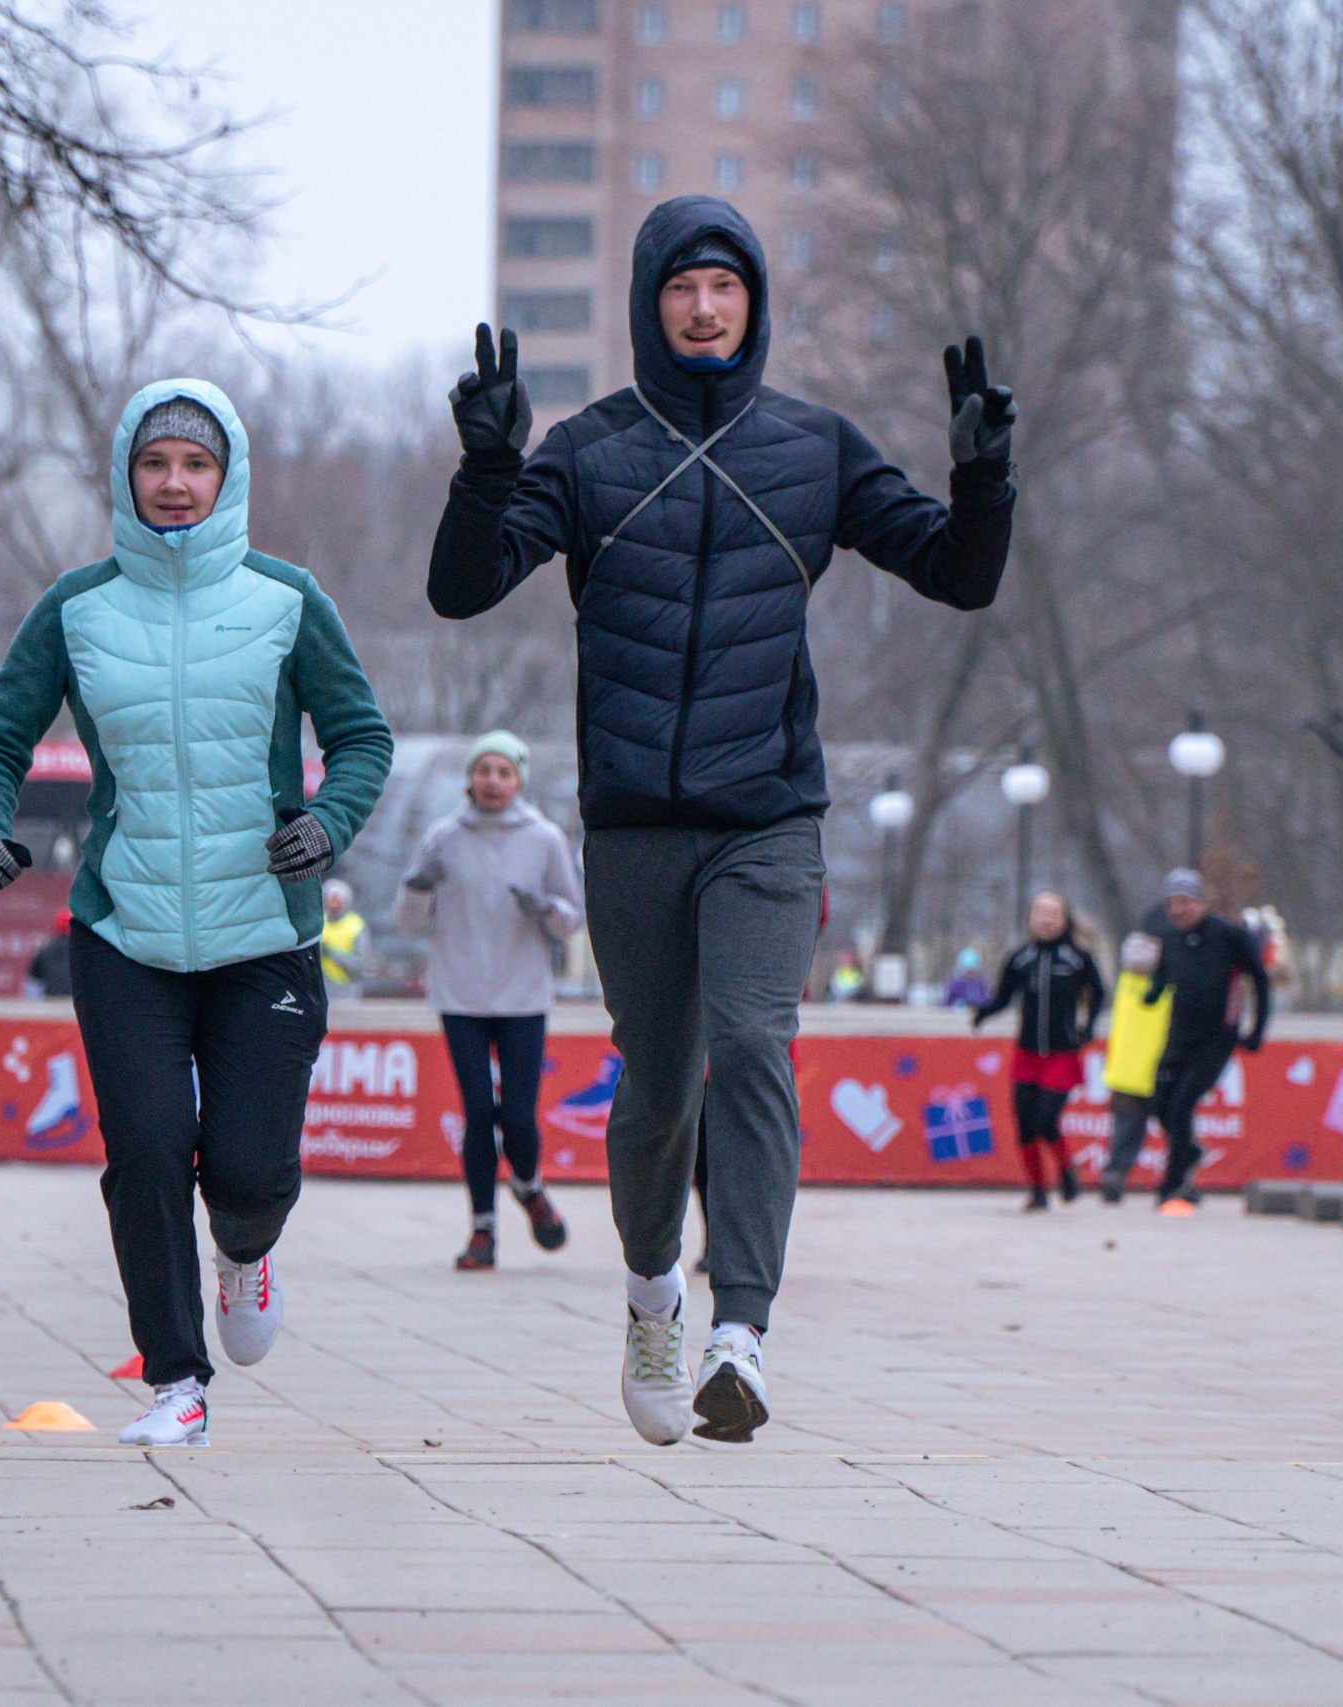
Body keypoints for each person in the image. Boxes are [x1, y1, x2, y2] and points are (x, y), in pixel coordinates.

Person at [428, 195, 1016, 1445]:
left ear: (754, 304)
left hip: (766, 817)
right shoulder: (591, 451)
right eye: (682, 288)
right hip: (636, 826)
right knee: (653, 1094)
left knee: (751, 1045)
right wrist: (487, 470)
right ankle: (653, 1297)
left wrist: (983, 480)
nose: (704, 307)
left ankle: (739, 1330)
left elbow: (960, 577)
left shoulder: (813, 449)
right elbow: (461, 588)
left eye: (726, 287)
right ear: (650, 305)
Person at [0, 380, 393, 1447]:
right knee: (147, 1149)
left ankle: (245, 1252)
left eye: (195, 464)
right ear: (127, 477)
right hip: (125, 929)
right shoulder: (78, 607)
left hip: (265, 935)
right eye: (155, 464)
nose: (175, 482)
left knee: (246, 1172)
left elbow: (363, 738)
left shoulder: (287, 601)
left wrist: (327, 824)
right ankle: (175, 1384)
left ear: (227, 475)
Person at [394, 729, 583, 1270]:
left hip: (523, 996)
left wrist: (543, 907)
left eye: (504, 772)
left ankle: (528, 1185)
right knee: (479, 1113)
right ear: (470, 778)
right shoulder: (443, 837)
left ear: (518, 779)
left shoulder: (543, 838)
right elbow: (407, 923)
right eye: (484, 770)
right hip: (460, 994)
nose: (493, 781)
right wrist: (418, 886)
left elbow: (571, 919)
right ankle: (483, 1231)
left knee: (519, 1119)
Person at [1143, 869, 1269, 1214]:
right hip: (1178, 1036)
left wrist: (1257, 1029)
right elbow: (1164, 976)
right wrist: (1152, 994)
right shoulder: (1168, 938)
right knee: (1159, 1105)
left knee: (1183, 1105)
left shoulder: (1228, 937)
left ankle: (1171, 1185)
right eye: (1172, 904)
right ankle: (1190, 1153)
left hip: (1216, 1039)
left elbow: (1260, 980)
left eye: (1185, 902)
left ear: (1200, 902)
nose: (1178, 910)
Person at [971, 891, 1103, 1212]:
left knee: (1046, 1118)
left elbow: (1098, 993)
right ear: (1031, 918)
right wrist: (983, 1013)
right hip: (1027, 1053)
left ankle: (1067, 1169)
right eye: (1040, 913)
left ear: (1063, 920)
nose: (1046, 919)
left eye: (1053, 913)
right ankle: (1037, 1190)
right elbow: (1003, 997)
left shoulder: (1077, 958)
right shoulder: (1020, 958)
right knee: (1025, 1124)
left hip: (1062, 1054)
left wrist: (1087, 1027)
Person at [1096, 930, 1172, 1204]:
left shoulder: (1125, 984)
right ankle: (1180, 1180)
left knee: (1126, 1131)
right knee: (1176, 1127)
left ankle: (1114, 1173)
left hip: (1125, 1072)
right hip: (1159, 1070)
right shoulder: (1166, 987)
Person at [320, 879, 370, 998]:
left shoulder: (356, 925)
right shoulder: (319, 922)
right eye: (330, 899)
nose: (333, 904)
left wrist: (330, 953)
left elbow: (361, 964)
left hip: (347, 988)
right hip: (320, 986)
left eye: (337, 900)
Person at [26, 909, 74, 998]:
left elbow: (32, 982)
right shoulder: (81, 950)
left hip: (50, 1002)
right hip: (75, 1003)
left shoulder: (45, 949)